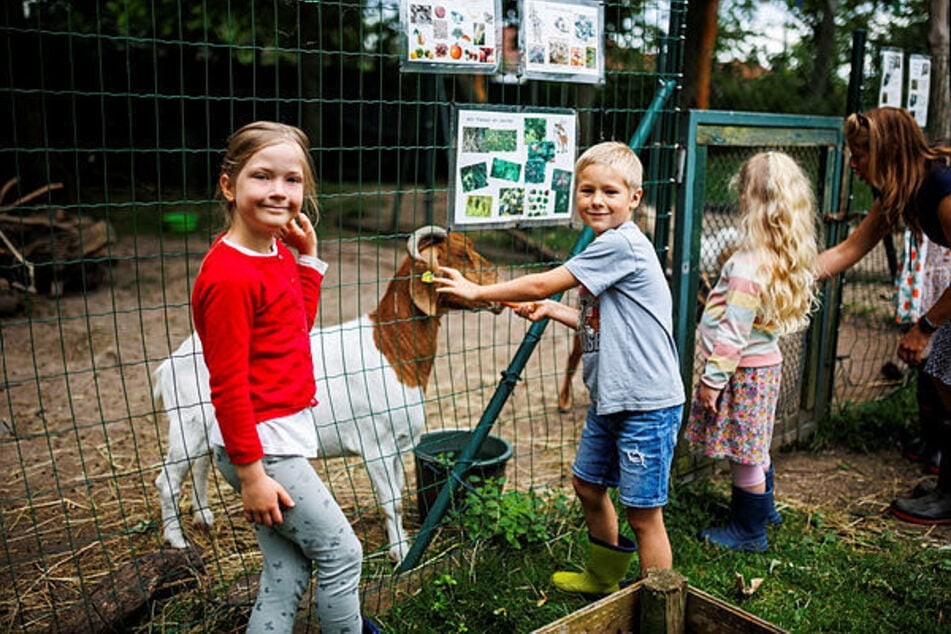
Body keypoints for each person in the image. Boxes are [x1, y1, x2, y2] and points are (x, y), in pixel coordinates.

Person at [435, 141, 684, 593]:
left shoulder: (622, 245)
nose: (596, 200)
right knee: (587, 485)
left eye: (610, 191)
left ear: (635, 198)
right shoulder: (609, 245)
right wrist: (552, 311)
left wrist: (476, 292)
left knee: (644, 513)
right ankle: (603, 579)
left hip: (647, 403)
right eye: (587, 190)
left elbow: (542, 280)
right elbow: (603, 324)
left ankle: (657, 607)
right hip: (612, 398)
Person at [191, 121, 378, 633]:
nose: (279, 191)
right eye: (262, 177)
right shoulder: (229, 276)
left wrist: (308, 262)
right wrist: (252, 476)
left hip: (273, 438)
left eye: (292, 180)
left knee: (286, 569)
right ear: (229, 185)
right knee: (343, 554)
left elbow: (292, 329)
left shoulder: (271, 250)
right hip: (262, 447)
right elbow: (226, 385)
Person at [818, 107, 951, 525]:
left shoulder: (942, 189)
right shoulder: (901, 189)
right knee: (942, 374)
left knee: (944, 369)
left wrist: (925, 326)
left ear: (888, 151)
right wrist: (784, 276)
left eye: (860, 155)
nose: (853, 164)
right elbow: (849, 249)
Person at [684, 152, 819, 552]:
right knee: (755, 443)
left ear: (750, 200)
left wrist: (712, 381)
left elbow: (732, 334)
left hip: (738, 373)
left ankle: (749, 530)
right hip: (763, 368)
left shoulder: (746, 266)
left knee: (744, 454)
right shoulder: (781, 259)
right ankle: (766, 509)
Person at [896, 231, 951, 475]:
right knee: (926, 360)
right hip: (929, 263)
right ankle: (929, 436)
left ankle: (944, 447)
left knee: (943, 361)